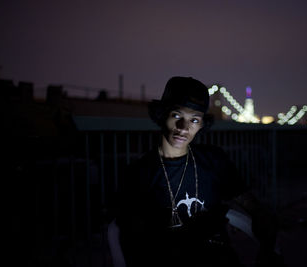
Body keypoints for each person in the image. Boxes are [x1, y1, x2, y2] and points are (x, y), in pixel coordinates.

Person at [112, 76, 281, 267]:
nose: (184, 128)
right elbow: (133, 244)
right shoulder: (141, 173)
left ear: (202, 125)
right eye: (177, 115)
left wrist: (267, 250)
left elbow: (257, 210)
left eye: (194, 119)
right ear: (162, 114)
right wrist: (189, 235)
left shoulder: (215, 161)